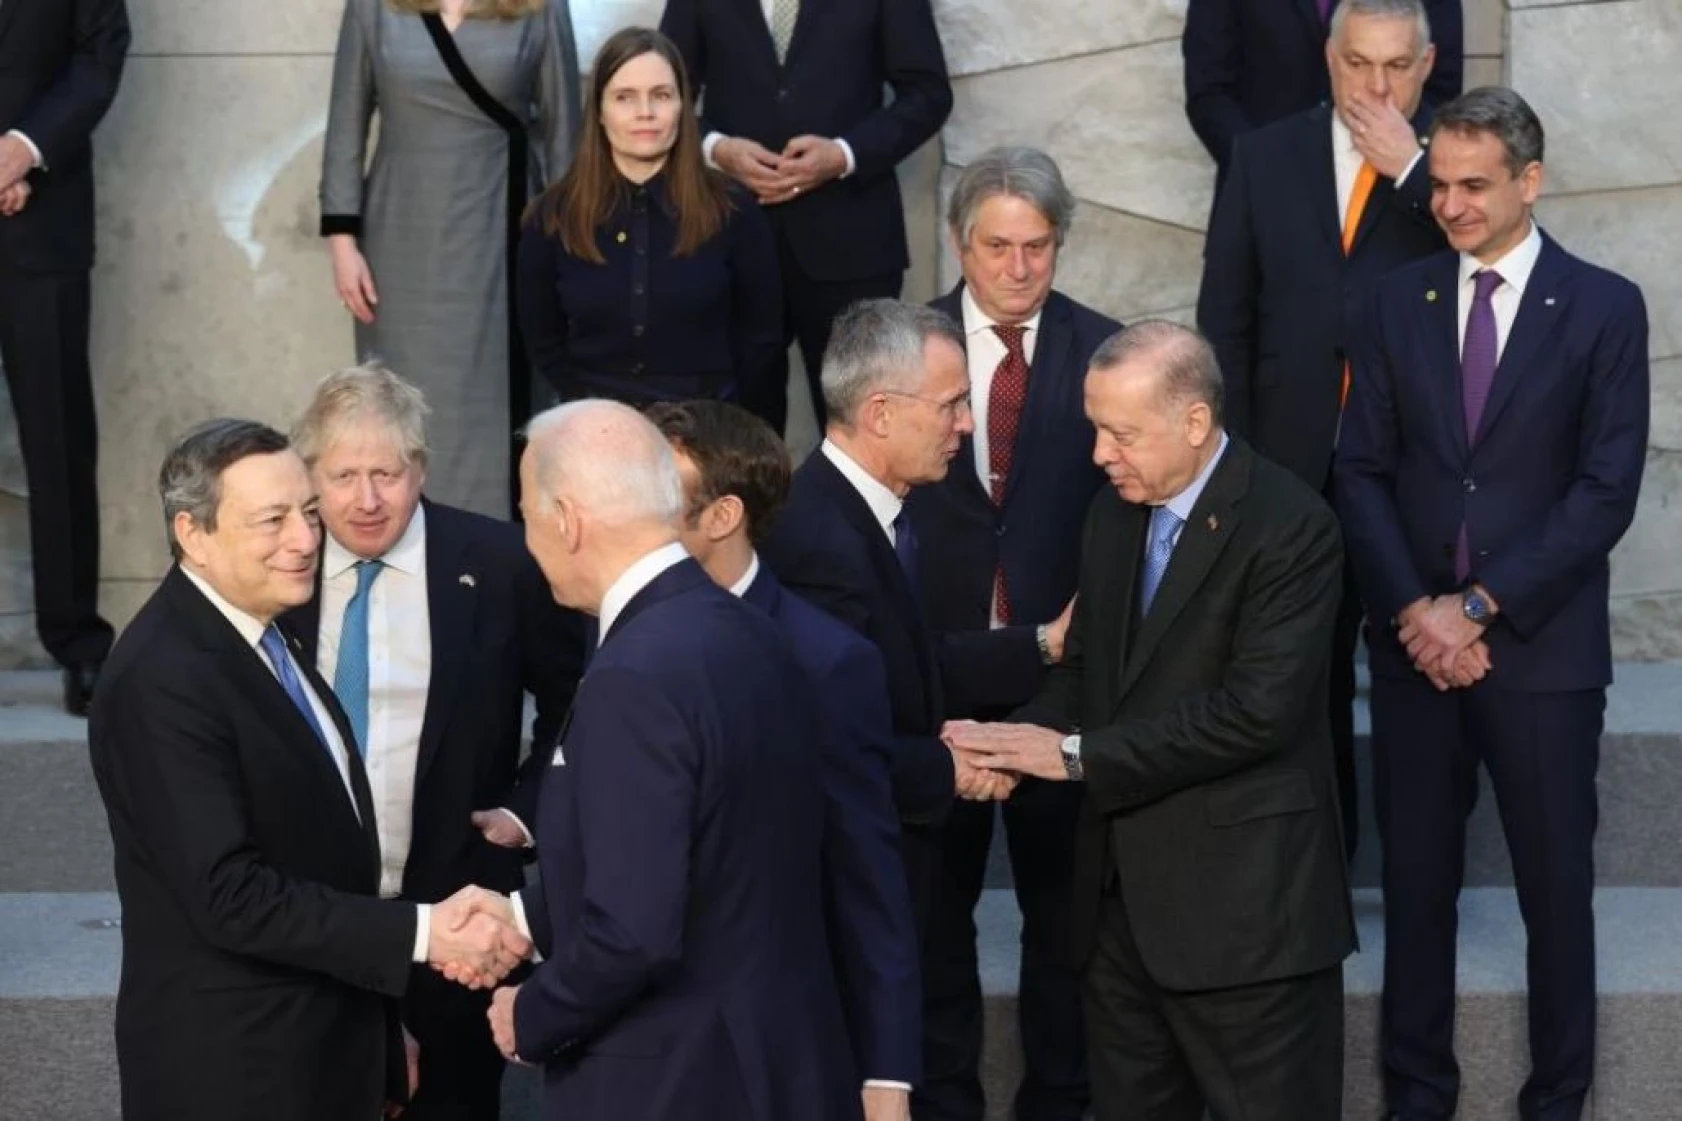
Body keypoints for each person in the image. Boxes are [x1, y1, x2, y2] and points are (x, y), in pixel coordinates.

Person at [947, 321, 1355, 1121]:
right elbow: (1090, 673)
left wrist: (1069, 755)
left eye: (1120, 432)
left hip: (1249, 924)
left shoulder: (1292, 525)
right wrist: (1006, 744)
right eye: (1095, 427)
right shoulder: (1112, 515)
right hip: (1116, 915)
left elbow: (1254, 714)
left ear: (1194, 422)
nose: (1100, 452)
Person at [1336, 87, 1650, 1121]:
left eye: (1474, 185)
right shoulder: (1395, 299)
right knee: (1416, 890)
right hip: (1413, 645)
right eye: (1438, 183)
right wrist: (1416, 615)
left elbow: (1602, 490)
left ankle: (1556, 1098)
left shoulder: (1603, 305)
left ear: (1528, 180)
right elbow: (1361, 469)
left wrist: (1473, 606)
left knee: (1554, 892)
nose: (1450, 204)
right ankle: (1415, 1095)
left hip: (1540, 651)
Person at [87, 418, 532, 1121]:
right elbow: (230, 894)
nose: (305, 538)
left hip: (324, 1050)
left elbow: (323, 853)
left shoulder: (267, 631)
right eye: (272, 520)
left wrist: (381, 1036)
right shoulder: (161, 678)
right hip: (238, 1072)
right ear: (192, 534)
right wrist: (425, 932)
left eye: (307, 512)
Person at [465, 399, 856, 1121]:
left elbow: (633, 932)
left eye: (527, 513)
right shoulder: (748, 628)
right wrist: (525, 915)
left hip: (677, 1082)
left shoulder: (634, 674)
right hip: (776, 1063)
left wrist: (534, 1013)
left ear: (566, 520)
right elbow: (709, 851)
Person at [278, 363, 585, 1121]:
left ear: (420, 468)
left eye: (386, 471)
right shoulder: (283, 568)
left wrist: (526, 811)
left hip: (456, 910)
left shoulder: (498, 562)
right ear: (310, 474)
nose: (366, 498)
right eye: (343, 474)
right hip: (310, 915)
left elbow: (582, 701)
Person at [1197, 0, 1451, 860]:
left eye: (1395, 67)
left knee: (1417, 676)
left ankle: (1419, 869)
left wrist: (1414, 172)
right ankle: (1323, 871)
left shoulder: (1454, 168)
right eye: (1357, 64)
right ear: (1329, 59)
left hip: (1417, 472)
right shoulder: (1263, 155)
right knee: (1304, 674)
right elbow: (1225, 322)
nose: (1375, 87)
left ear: (1427, 66)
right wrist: (1237, 467)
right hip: (1290, 467)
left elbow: (1494, 267)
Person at [907, 147, 1117, 1121]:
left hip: (1061, 679)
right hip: (933, 678)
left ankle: (1058, 1104)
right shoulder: (902, 349)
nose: (1019, 266)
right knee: (930, 921)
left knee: (1064, 921)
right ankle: (943, 1101)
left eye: (1038, 246)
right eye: (998, 245)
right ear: (959, 243)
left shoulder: (1104, 353)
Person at [760, 299, 1069, 942]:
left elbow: (912, 661)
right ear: (880, 412)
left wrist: (1045, 643)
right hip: (861, 868)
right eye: (951, 404)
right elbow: (828, 734)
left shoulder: (882, 511)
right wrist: (951, 769)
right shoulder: (816, 537)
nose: (966, 424)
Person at [647, 398, 921, 1121]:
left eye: (658, 496)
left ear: (723, 516)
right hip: (632, 1038)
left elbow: (868, 878)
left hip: (763, 1047)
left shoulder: (825, 663)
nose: (632, 513)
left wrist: (888, 1072)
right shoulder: (610, 627)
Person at [320, 0, 579, 517]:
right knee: (399, 409)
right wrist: (342, 239)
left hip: (502, 235)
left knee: (499, 413)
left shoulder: (540, 7)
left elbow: (564, 131)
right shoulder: (374, 7)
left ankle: (495, 557)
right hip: (399, 244)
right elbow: (346, 120)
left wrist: (567, 250)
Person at [660, 0, 953, 432]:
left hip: (853, 242)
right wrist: (716, 150)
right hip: (732, 237)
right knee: (736, 434)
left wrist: (844, 154)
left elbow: (928, 94)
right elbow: (661, 88)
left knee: (866, 426)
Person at [516, 27, 781, 414]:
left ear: (683, 106)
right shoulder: (552, 217)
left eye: (661, 95)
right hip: (593, 426)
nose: (646, 112)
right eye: (625, 97)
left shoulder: (734, 210)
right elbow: (542, 341)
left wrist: (716, 419)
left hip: (709, 426)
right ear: (600, 113)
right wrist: (590, 410)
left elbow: (762, 336)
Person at [0, 0, 129, 715]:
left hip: (41, 223)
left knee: (57, 439)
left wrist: (22, 150)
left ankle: (79, 643)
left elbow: (101, 48)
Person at [1182, 0, 1461, 174]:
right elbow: (1209, 92)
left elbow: (1440, 88)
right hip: (1259, 221)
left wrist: (1400, 165)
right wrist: (1263, 173)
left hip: (1391, 214)